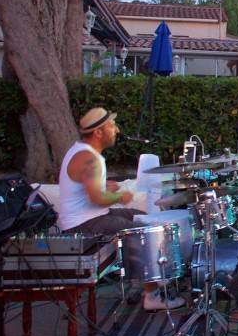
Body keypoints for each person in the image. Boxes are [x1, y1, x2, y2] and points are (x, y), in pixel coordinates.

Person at [58, 108, 185, 311]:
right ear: (98, 132)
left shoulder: (81, 151)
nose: (116, 130)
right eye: (111, 126)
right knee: (141, 232)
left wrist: (104, 185)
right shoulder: (90, 159)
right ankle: (152, 294)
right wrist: (121, 196)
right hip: (83, 224)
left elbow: (86, 187)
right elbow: (98, 199)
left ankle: (150, 279)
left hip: (91, 216)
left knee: (145, 219)